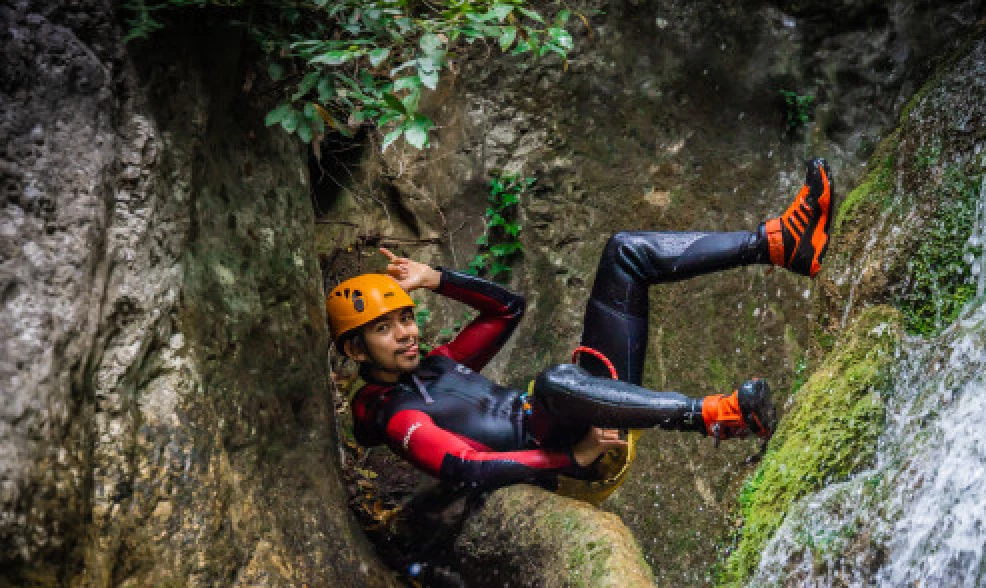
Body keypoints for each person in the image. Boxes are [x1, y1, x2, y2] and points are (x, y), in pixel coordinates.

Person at [326, 159, 833, 493]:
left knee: (625, 253)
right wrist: (573, 455)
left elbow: (508, 309)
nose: (407, 333)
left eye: (406, 318)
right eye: (385, 329)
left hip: (575, 412)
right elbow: (465, 467)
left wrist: (434, 278)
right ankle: (721, 416)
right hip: (570, 458)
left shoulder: (440, 364)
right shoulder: (399, 417)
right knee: (552, 383)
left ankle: (779, 243)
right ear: (355, 349)